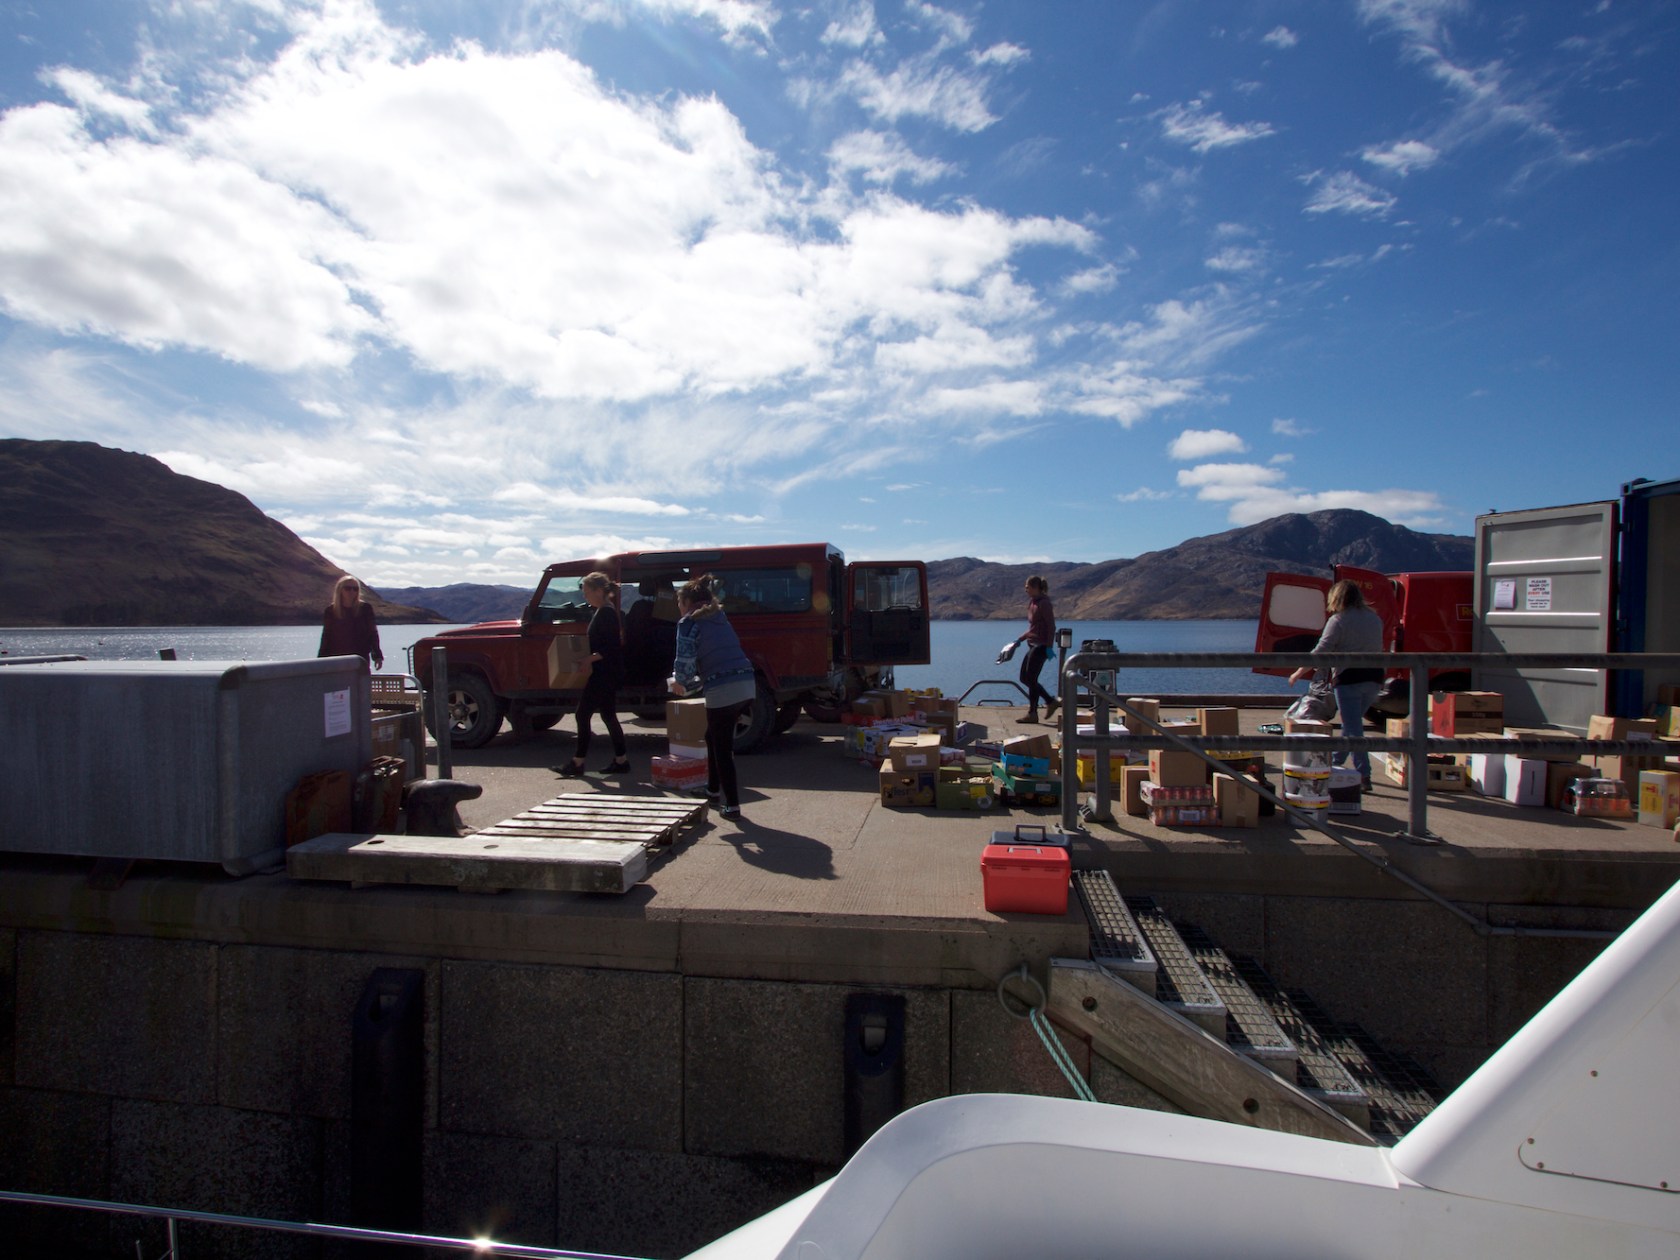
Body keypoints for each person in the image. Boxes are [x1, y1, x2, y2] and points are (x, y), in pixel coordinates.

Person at [669, 573, 755, 819]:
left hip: (723, 688)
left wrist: (678, 682)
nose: (678, 606)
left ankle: (732, 806)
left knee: (722, 747)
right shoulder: (719, 617)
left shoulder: (688, 623)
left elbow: (684, 666)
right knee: (712, 736)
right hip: (747, 684)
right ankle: (713, 789)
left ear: (687, 603)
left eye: (679, 601)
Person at [1289, 579, 1385, 788]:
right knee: (1352, 725)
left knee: (1353, 728)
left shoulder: (1339, 620)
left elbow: (1321, 650)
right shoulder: (1374, 618)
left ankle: (1364, 775)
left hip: (1349, 678)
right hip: (1375, 678)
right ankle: (1334, 762)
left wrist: (1299, 671)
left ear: (1336, 598)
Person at [558, 572, 630, 777]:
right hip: (607, 672)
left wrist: (587, 659)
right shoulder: (603, 611)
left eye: (587, 592)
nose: (585, 597)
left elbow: (611, 647)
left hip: (605, 673)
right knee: (608, 715)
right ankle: (621, 760)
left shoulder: (606, 613)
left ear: (599, 591)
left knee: (582, 713)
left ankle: (578, 762)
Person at [1009, 575, 1058, 723]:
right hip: (1032, 644)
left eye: (1027, 587)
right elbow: (1032, 628)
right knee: (1024, 678)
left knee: (1030, 678)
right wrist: (1019, 640)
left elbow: (1051, 626)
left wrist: (1049, 647)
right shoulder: (1032, 603)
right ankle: (1049, 702)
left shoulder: (1044, 604)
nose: (1025, 589)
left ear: (1036, 587)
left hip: (1041, 646)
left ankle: (1034, 712)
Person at [318, 575, 383, 669]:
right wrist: (321, 660)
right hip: (336, 658)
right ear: (340, 590)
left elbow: (372, 633)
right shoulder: (331, 611)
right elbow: (326, 636)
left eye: (355, 589)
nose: (352, 591)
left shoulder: (365, 609)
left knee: (360, 683)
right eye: (348, 588)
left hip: (360, 658)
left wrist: (377, 656)